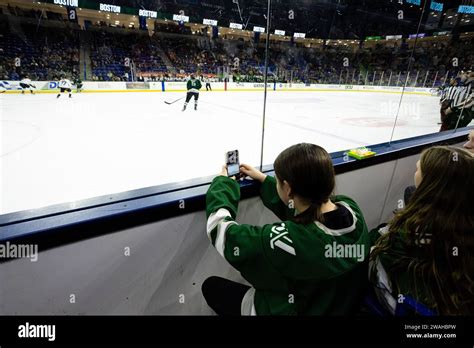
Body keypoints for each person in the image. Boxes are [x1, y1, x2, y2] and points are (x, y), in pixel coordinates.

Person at [203, 143, 371, 315]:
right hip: (338, 306)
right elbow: (308, 211)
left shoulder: (286, 242)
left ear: (288, 188)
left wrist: (224, 184)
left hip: (294, 309)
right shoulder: (352, 211)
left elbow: (222, 231)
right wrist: (264, 180)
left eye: (277, 181)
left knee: (211, 286)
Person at [369, 146, 474, 315]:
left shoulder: (402, 236)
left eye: (419, 169)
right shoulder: (463, 224)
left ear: (431, 186)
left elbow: (377, 257)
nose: (416, 168)